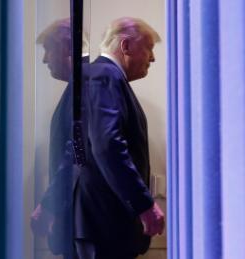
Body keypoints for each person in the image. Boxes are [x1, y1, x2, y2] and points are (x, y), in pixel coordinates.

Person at [74, 17, 165, 259]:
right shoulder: (105, 75)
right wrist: (143, 204)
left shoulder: (106, 77)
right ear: (125, 46)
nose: (153, 58)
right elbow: (107, 145)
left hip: (104, 225)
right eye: (149, 49)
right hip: (106, 225)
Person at [30, 18, 89, 259]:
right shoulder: (81, 83)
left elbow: (76, 152)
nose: (44, 59)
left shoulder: (84, 84)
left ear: (67, 46)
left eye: (48, 49)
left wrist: (49, 205)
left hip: (82, 225)